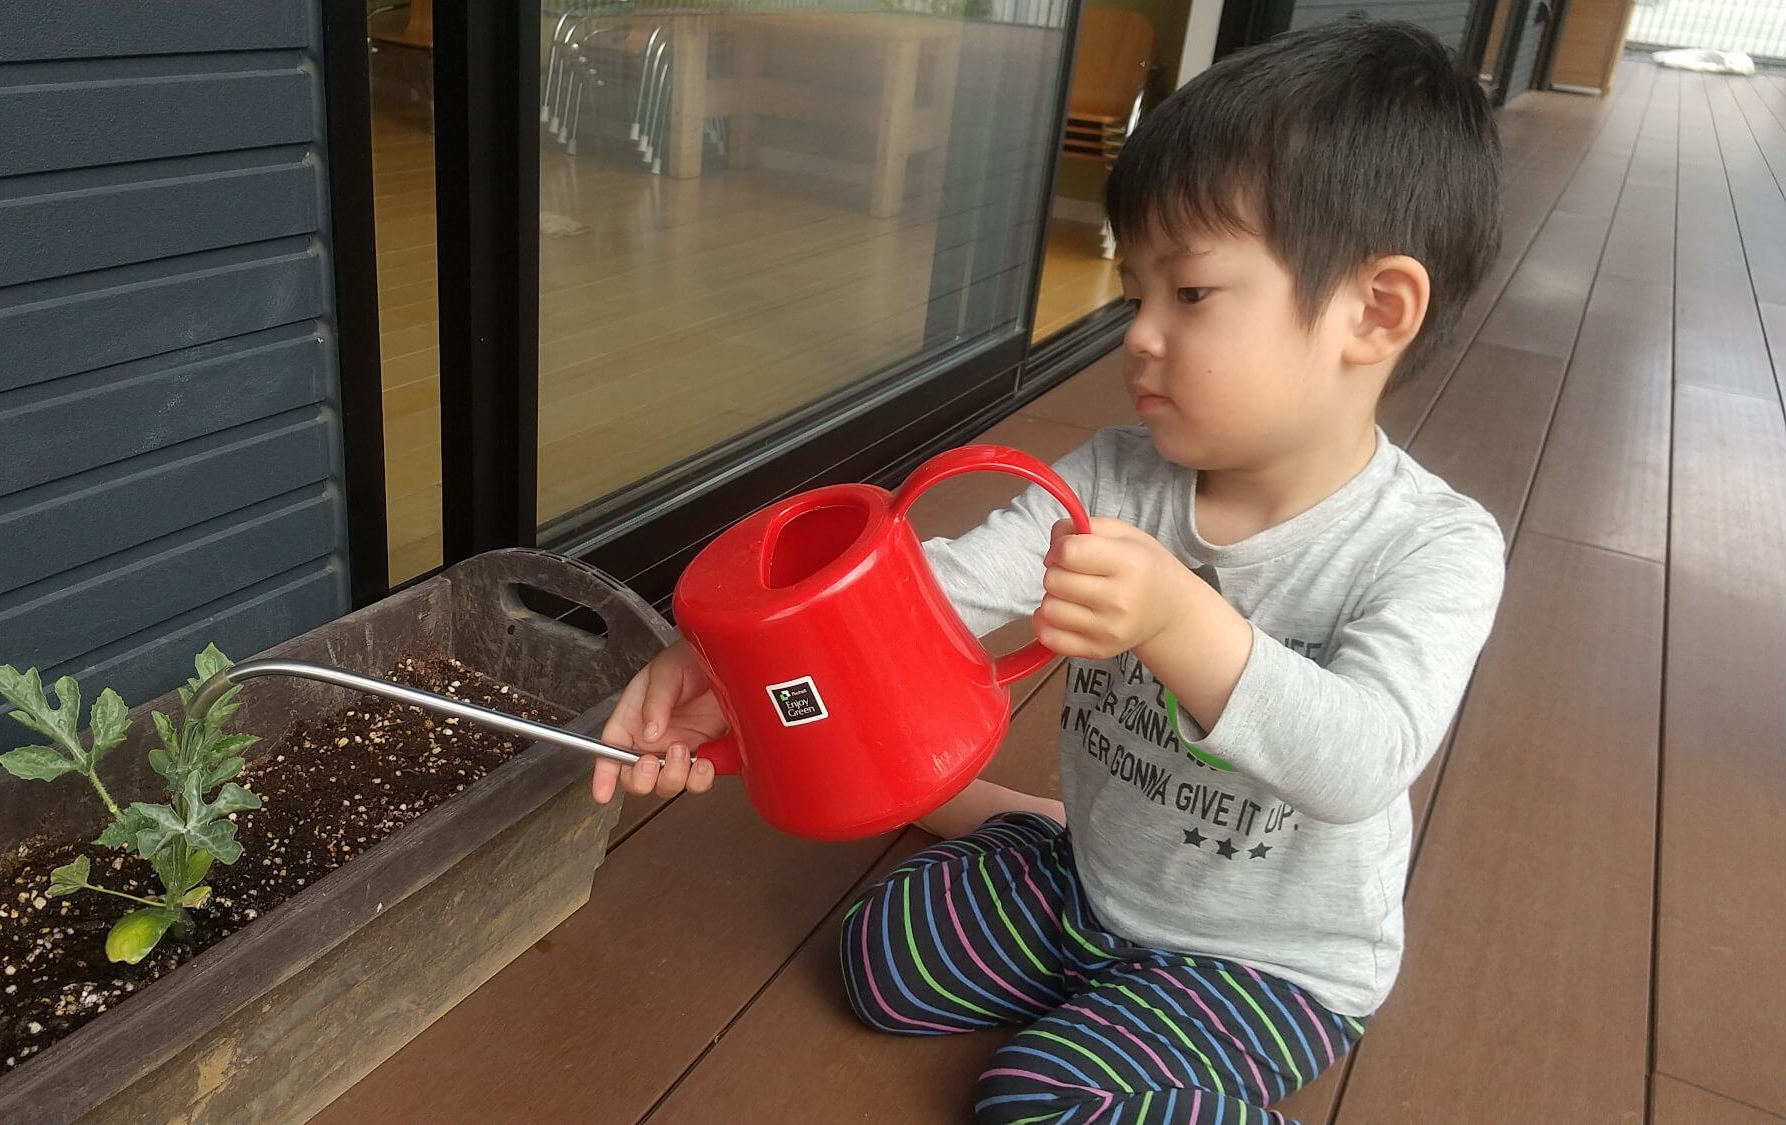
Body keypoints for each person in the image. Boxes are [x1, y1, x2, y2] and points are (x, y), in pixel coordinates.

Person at [591, 19, 1507, 1124]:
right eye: (1135, 296)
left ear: (1373, 311)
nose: (1138, 334)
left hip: (1266, 957)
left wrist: (1179, 620)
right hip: (1097, 882)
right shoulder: (1118, 474)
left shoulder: (1432, 546)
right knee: (884, 960)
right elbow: (942, 592)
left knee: (1037, 1099)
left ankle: (1120, 1014)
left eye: (1192, 294)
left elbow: (1361, 761)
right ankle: (1043, 849)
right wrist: (729, 671)